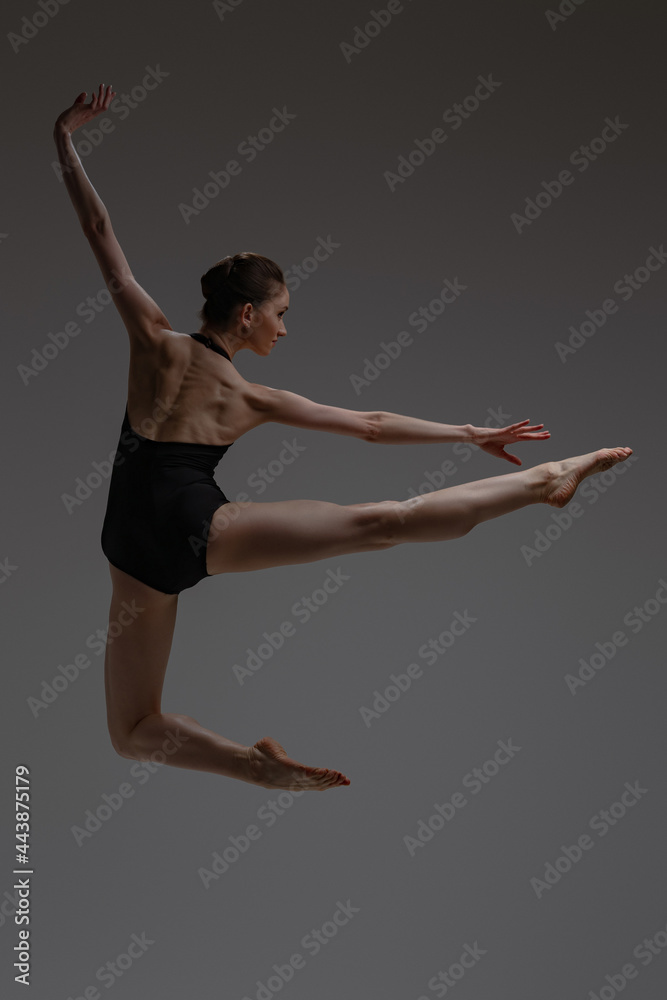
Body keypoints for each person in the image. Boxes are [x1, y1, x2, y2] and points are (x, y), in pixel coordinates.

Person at [54, 85, 632, 792]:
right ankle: (543, 481)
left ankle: (250, 765)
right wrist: (469, 432)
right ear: (245, 315)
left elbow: (100, 233)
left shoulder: (151, 338)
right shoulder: (252, 398)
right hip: (194, 529)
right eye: (280, 313)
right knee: (383, 523)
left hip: (127, 545)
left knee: (133, 732)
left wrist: (65, 141)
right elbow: (371, 426)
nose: (285, 328)